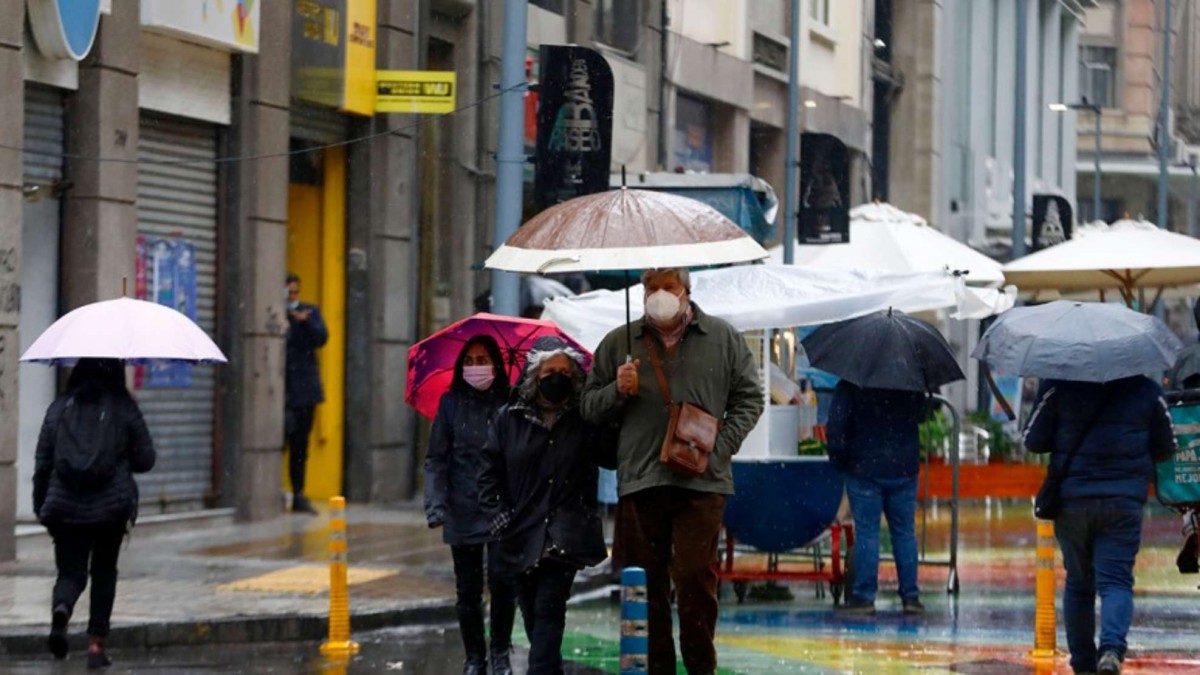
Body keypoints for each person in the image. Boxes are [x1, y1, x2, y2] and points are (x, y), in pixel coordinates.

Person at [582, 267, 764, 675]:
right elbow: (588, 407)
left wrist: (720, 447)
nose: (659, 294)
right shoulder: (619, 343)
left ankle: (701, 666)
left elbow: (750, 398)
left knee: (695, 576)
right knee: (647, 585)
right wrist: (616, 390)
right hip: (642, 478)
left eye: (668, 286)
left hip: (703, 480)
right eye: (651, 287)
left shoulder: (722, 338)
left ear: (686, 290)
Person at [1024, 376, 1176, 675]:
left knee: (1079, 583)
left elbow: (1034, 441)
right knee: (1116, 582)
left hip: (1072, 501)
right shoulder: (1146, 389)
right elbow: (1166, 448)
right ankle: (1111, 651)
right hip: (1123, 502)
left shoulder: (1058, 385)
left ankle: (1083, 663)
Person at [480, 336, 613, 675]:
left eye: (565, 372)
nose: (557, 378)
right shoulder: (507, 419)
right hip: (521, 532)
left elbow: (611, 455)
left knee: (549, 608)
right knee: (532, 614)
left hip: (565, 534)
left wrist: (616, 402)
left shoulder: (584, 419)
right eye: (549, 371)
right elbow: (488, 474)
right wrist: (497, 513)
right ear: (534, 376)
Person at [33, 358, 156, 669]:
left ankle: (61, 611)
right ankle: (96, 645)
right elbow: (146, 459)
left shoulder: (59, 408)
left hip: (65, 507)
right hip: (110, 510)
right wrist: (122, 446)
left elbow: (43, 463)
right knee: (103, 572)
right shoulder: (124, 407)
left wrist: (41, 506)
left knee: (70, 573)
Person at [424, 335, 518, 675]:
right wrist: (436, 506)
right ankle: (474, 658)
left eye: (483, 360)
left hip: (501, 509)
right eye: (469, 361)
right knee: (467, 590)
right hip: (461, 507)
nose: (476, 368)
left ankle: (500, 653)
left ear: (496, 364)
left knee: (503, 583)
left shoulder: (510, 403)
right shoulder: (450, 404)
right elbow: (436, 459)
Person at [826, 380, 930, 615]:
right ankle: (911, 597)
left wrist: (839, 460)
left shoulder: (852, 381)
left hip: (864, 467)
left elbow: (836, 426)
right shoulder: (908, 378)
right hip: (903, 467)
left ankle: (864, 597)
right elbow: (923, 414)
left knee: (867, 532)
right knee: (904, 533)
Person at [285, 273, 329, 514]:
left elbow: (321, 337)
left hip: (304, 392)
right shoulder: (278, 315)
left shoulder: (309, 313)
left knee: (300, 446)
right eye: (288, 293)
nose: (292, 297)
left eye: (295, 292)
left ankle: (298, 493)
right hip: (283, 391)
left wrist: (304, 322)